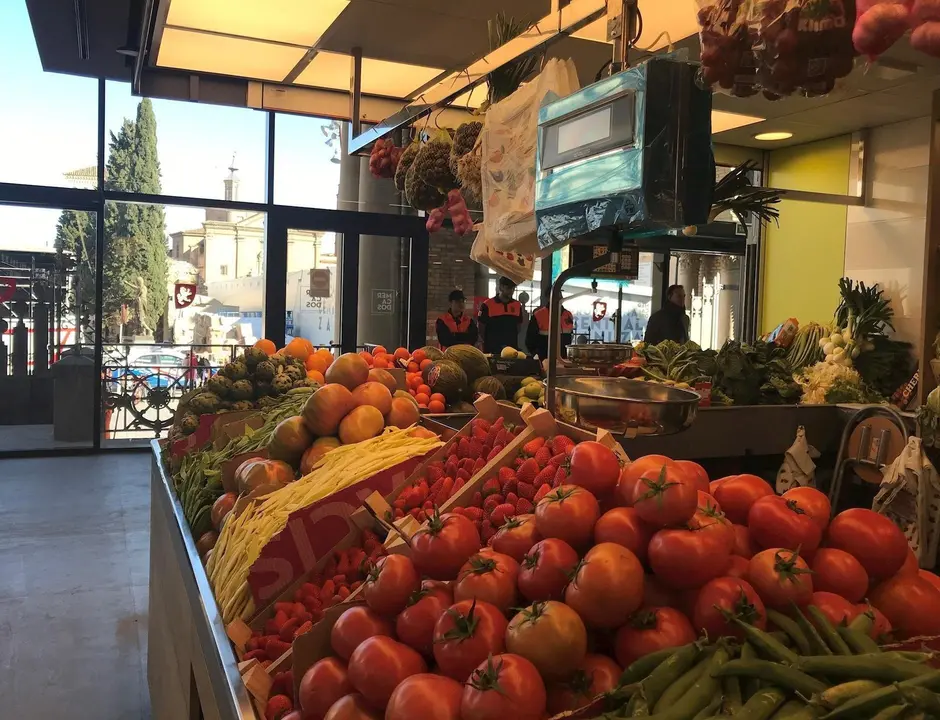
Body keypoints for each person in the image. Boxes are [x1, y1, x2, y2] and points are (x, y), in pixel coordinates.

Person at [478, 276, 523, 354]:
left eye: (513, 288)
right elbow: (481, 327)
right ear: (501, 287)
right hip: (492, 349)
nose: (511, 291)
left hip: (511, 348)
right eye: (508, 288)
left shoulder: (517, 305)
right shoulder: (487, 304)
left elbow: (518, 326)